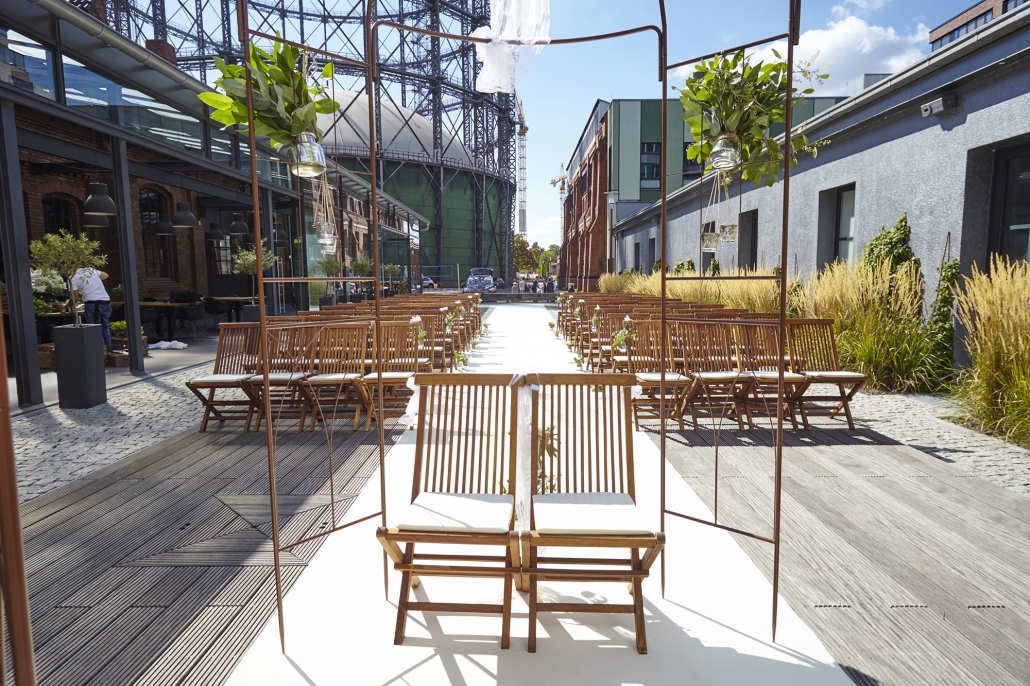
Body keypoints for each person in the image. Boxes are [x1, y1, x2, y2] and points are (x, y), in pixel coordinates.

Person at [70, 267, 117, 354]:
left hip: (92, 303)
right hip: (106, 302)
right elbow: (106, 275)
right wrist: (94, 281)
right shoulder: (90, 270)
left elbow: (75, 298)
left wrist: (65, 306)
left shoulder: (72, 278)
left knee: (94, 329)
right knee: (105, 328)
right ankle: (109, 352)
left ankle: (100, 354)